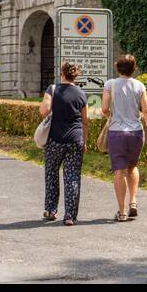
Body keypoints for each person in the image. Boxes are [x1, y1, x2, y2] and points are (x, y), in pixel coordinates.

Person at [101, 55, 147, 222]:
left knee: (119, 171)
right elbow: (146, 111)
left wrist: (111, 113)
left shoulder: (110, 84)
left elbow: (103, 109)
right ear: (134, 68)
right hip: (136, 132)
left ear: (117, 68)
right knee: (132, 167)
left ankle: (122, 212)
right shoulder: (139, 85)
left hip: (117, 132)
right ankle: (133, 202)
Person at [39, 61, 88, 226]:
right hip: (76, 140)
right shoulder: (82, 93)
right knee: (73, 177)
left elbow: (43, 111)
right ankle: (70, 216)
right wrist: (84, 141)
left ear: (62, 73)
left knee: (52, 173)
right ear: (76, 75)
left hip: (55, 139)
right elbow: (85, 121)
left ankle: (51, 210)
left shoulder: (53, 89)